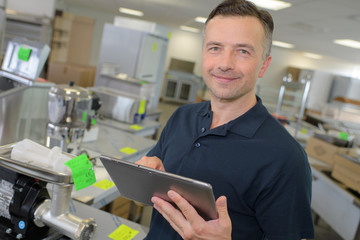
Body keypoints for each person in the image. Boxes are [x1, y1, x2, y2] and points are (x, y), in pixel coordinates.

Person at [136, 0, 315, 239]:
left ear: (263, 65)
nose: (224, 64)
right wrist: (147, 177)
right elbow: (153, 186)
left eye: (243, 51)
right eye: (215, 48)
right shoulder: (182, 116)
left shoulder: (286, 158)